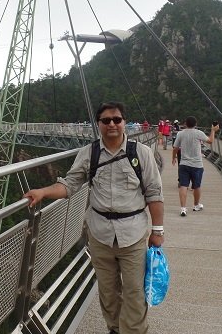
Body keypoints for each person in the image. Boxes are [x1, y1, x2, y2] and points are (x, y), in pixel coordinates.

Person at [24, 101, 164, 334]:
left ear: (124, 123)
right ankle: (115, 329)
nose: (112, 124)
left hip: (134, 233)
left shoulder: (141, 153)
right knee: (108, 292)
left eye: (116, 120)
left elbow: (154, 193)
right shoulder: (89, 153)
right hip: (100, 234)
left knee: (134, 292)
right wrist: (43, 192)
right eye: (106, 120)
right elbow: (69, 186)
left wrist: (158, 231)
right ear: (98, 124)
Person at [171, 116, 219, 217]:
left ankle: (183, 208)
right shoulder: (199, 133)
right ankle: (196, 205)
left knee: (183, 185)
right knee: (196, 186)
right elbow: (210, 141)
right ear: (196, 124)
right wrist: (213, 130)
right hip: (197, 164)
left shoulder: (180, 133)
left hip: (184, 164)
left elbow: (175, 147)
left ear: (185, 124)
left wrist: (174, 157)